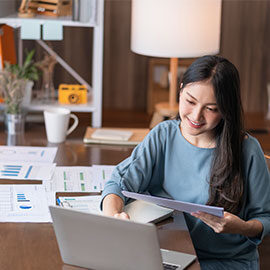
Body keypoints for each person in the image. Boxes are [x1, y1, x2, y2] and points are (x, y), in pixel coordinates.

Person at [101, 55, 270, 270]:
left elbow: (265, 218)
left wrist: (243, 227)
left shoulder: (247, 150)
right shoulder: (163, 135)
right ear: (180, 90)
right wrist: (113, 216)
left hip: (227, 262)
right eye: (190, 101)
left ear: (226, 110)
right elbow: (119, 183)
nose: (196, 116)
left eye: (211, 108)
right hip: (171, 251)